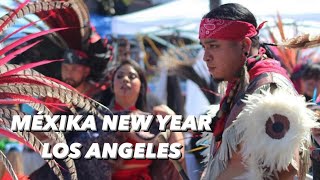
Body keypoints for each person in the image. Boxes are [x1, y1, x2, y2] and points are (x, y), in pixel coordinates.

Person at [198, 3, 318, 180]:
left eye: (214, 46)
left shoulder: (270, 93)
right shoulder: (241, 86)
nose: (205, 57)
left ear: (244, 45)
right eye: (204, 47)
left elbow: (285, 173)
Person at [108, 60, 185, 180]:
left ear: (141, 86)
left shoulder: (152, 122)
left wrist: (172, 118)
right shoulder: (99, 118)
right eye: (120, 76)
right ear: (112, 85)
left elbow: (176, 155)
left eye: (132, 76)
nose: (125, 79)